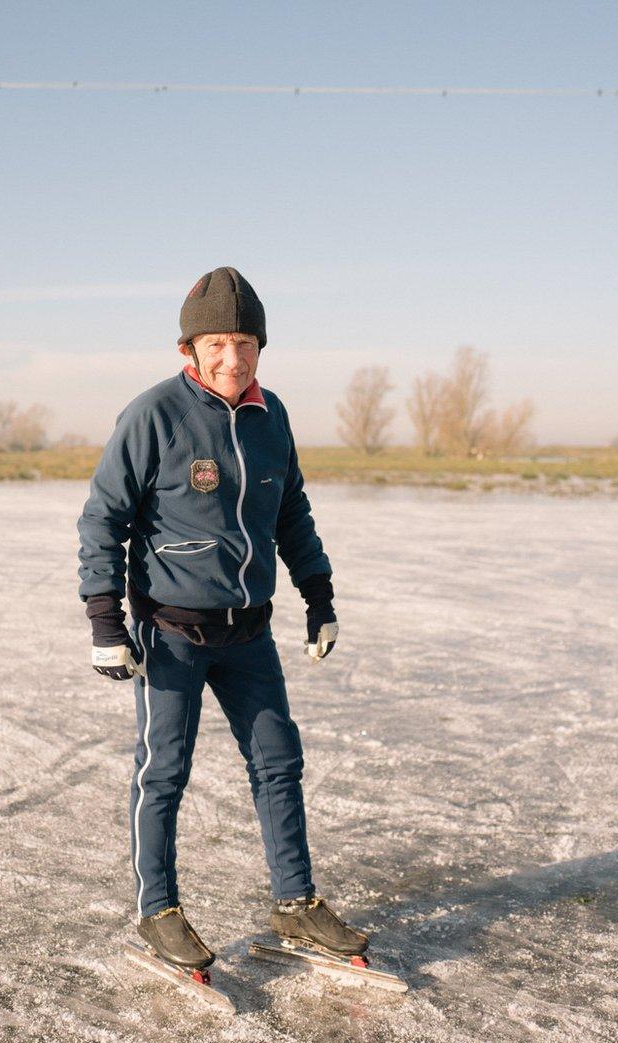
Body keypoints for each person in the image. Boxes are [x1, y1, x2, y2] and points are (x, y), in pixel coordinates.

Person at [76, 267, 368, 971]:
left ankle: (295, 903)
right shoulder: (154, 415)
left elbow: (290, 512)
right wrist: (105, 622)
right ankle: (158, 912)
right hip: (169, 633)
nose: (231, 358)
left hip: (249, 632)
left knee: (278, 763)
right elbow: (103, 519)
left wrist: (318, 595)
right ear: (190, 348)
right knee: (163, 773)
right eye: (216, 342)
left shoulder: (274, 418)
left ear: (260, 348)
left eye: (244, 342)